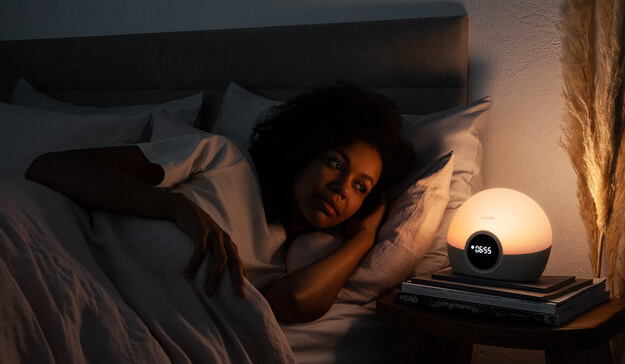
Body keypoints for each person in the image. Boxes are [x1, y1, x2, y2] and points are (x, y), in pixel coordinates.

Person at [25, 85, 413, 323]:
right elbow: (51, 166)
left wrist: (362, 240)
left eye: (361, 187)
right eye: (335, 163)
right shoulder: (225, 159)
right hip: (48, 252)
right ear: (304, 148)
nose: (343, 188)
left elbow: (296, 302)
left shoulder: (290, 260)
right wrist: (177, 209)